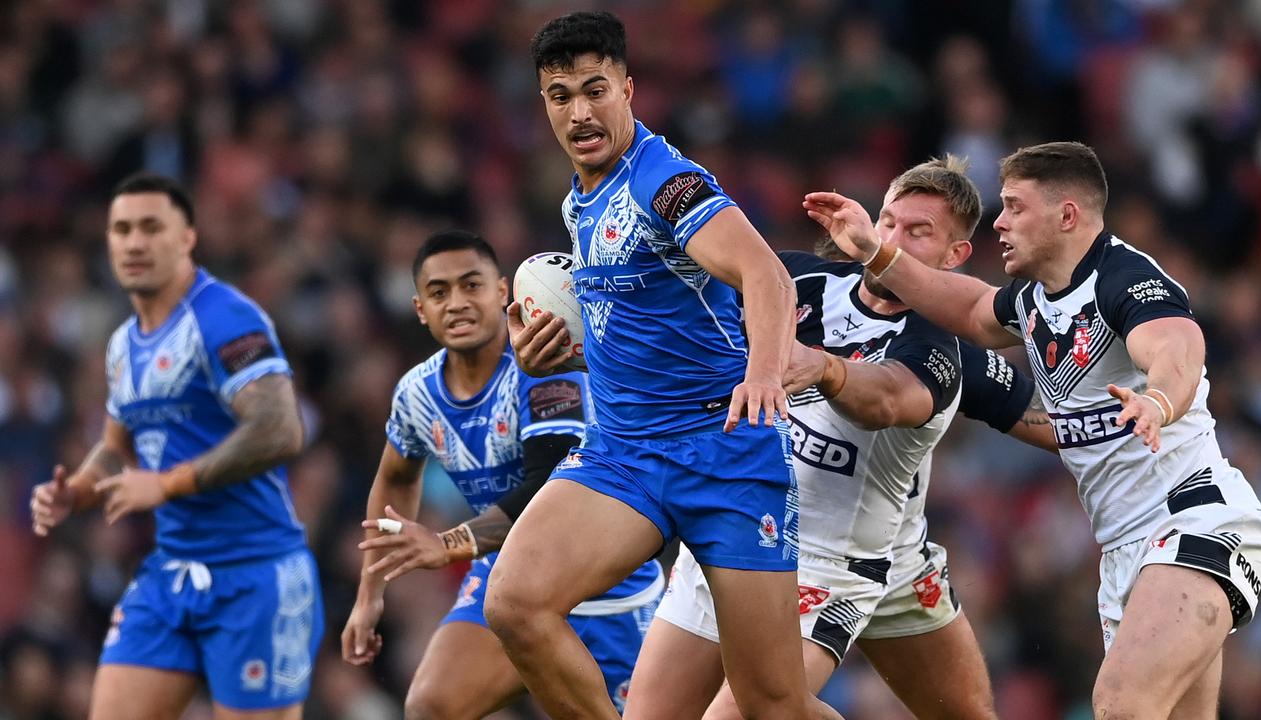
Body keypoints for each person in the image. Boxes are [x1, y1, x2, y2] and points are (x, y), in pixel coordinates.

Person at [805, 141, 1261, 718]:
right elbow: (971, 310)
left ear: (1066, 215)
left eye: (1014, 207)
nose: (998, 222)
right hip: (1125, 549)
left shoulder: (1122, 280)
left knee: (1121, 704)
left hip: (1194, 520)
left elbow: (1178, 346)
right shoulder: (1031, 298)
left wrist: (1158, 400)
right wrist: (876, 252)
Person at [483, 11, 840, 720]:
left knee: (772, 704)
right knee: (516, 604)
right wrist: (551, 356)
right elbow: (644, 323)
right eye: (560, 96)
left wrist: (764, 373)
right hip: (623, 453)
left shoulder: (666, 182)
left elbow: (763, 275)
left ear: (628, 89)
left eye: (595, 89)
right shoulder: (581, 197)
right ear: (544, 105)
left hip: (725, 450)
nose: (580, 111)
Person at [639, 156, 1056, 720]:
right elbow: (678, 322)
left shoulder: (944, 342)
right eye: (887, 222)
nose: (892, 240)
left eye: (917, 232)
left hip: (841, 562)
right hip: (741, 531)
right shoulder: (798, 283)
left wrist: (827, 369)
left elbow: (888, 400)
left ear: (955, 257)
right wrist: (582, 343)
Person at [28, 173, 321, 719]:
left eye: (150, 227)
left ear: (187, 236)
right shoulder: (122, 344)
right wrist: (81, 491)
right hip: (173, 571)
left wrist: (165, 485)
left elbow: (281, 428)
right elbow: (116, 446)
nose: (134, 242)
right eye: (121, 229)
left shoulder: (224, 316)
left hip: (255, 574)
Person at [340, 230, 662, 719]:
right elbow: (396, 480)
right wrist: (370, 595)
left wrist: (448, 543)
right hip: (505, 576)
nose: (457, 303)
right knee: (431, 707)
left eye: (471, 285)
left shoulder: (546, 362)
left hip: (600, 584)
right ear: (420, 309)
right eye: (439, 292)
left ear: (502, 292)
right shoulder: (416, 394)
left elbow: (548, 489)